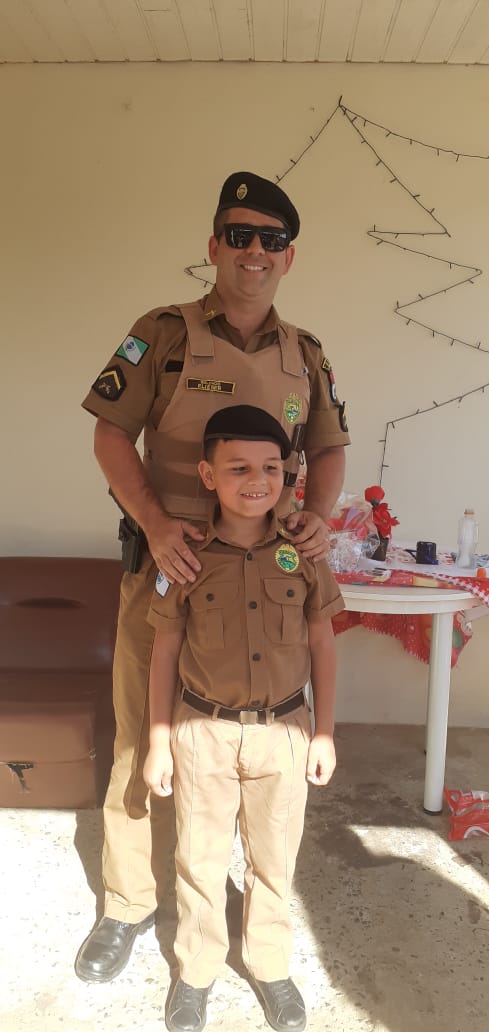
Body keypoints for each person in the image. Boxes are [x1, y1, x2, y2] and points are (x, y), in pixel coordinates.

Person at [76, 170, 350, 983]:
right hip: (171, 572)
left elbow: (327, 447)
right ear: (214, 247)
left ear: (288, 256)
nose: (253, 251)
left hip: (270, 585)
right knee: (145, 737)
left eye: (270, 240)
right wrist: (156, 525)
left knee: (260, 740)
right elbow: (110, 435)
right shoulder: (162, 333)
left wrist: (317, 514)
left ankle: (239, 906)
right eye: (238, 235)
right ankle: (128, 904)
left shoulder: (306, 354)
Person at [143, 404, 344, 1032]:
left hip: (284, 734)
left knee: (274, 860)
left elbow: (322, 642)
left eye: (271, 468)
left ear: (287, 474)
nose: (257, 481)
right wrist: (158, 742)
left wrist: (325, 732)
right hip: (201, 732)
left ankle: (269, 963)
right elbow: (165, 650)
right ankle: (196, 972)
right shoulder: (185, 555)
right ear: (208, 475)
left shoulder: (303, 553)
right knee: (199, 860)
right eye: (238, 468)